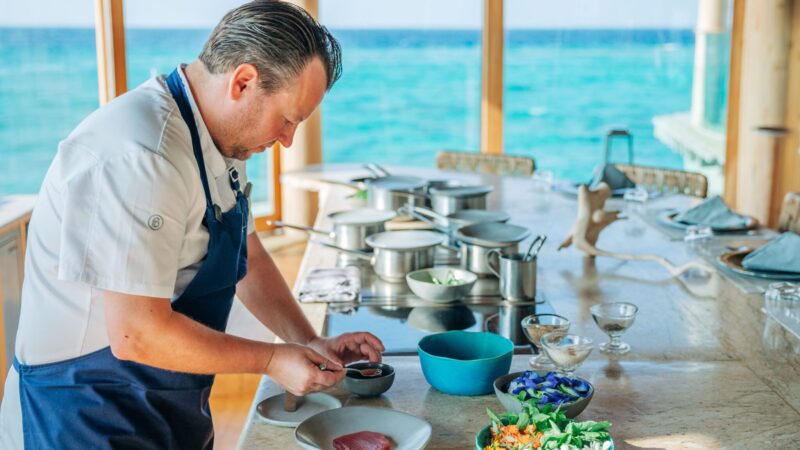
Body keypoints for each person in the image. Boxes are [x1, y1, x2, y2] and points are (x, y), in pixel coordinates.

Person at [0, 1, 384, 448]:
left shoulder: (218, 142)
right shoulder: (141, 154)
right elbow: (136, 333)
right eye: (287, 120)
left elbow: (249, 258)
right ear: (243, 82)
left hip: (163, 404)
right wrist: (272, 361)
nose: (287, 140)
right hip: (81, 414)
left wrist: (309, 342)